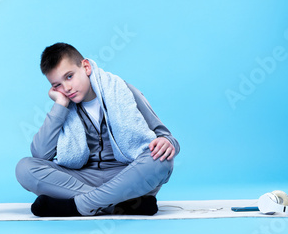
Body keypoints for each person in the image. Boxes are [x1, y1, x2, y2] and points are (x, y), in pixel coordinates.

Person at [15, 43, 180, 217]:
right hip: (84, 177)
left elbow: (168, 137)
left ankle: (80, 205)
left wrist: (167, 142)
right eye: (57, 85)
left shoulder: (124, 91)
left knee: (161, 161)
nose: (66, 88)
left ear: (85, 67)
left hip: (126, 174)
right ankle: (116, 204)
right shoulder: (64, 106)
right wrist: (60, 104)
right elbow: (40, 154)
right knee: (24, 168)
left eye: (69, 76)